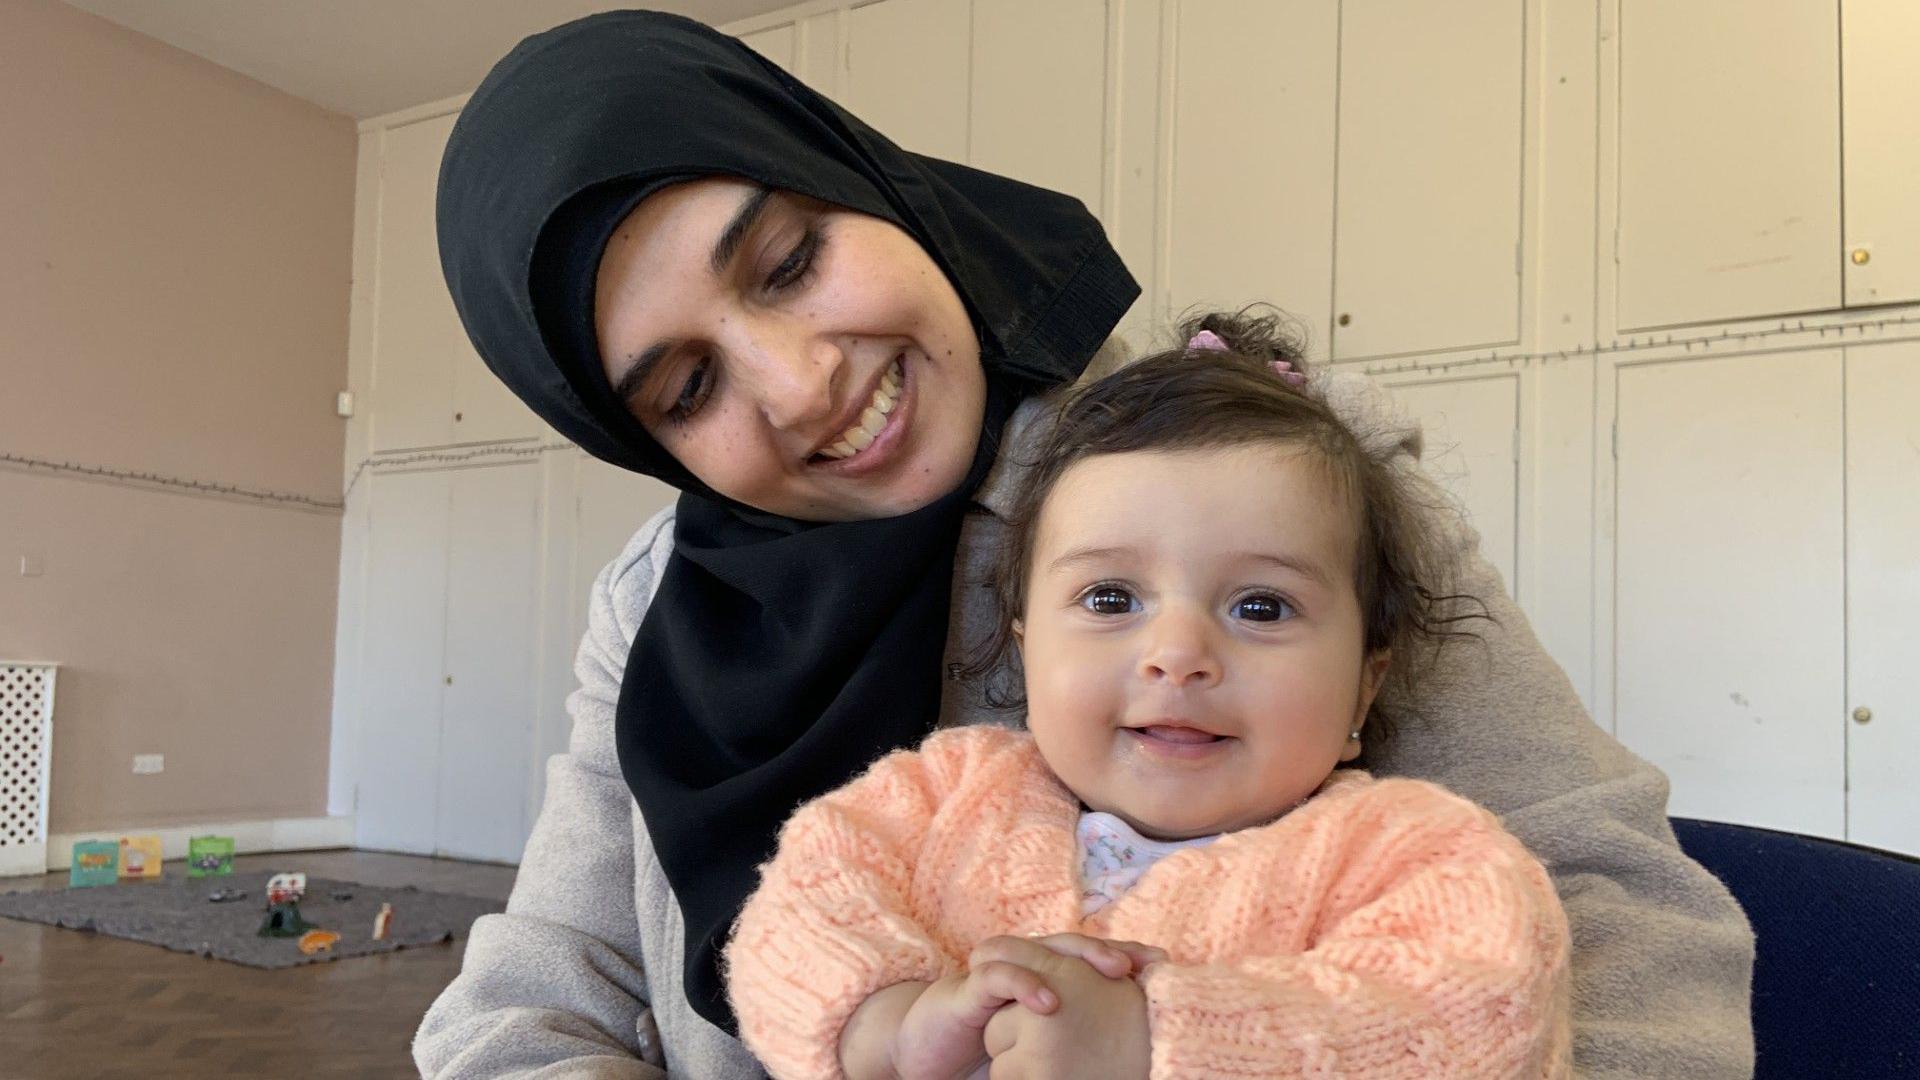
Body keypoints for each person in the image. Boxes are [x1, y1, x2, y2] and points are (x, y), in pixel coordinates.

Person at [416, 10, 1753, 1079]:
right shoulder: (653, 610)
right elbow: (520, 1008)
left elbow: (1624, 928)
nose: (798, 380)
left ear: (863, 183)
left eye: (786, 263)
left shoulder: (1275, 473)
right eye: (688, 390)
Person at [727, 317, 1574, 1078]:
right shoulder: (944, 796)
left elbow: (1481, 1014)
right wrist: (896, 1027)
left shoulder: (1412, 855)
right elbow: (797, 913)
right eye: (1109, 600)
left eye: (1261, 606)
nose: (1177, 656)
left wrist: (1155, 1039)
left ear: (1365, 683)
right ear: (1026, 657)